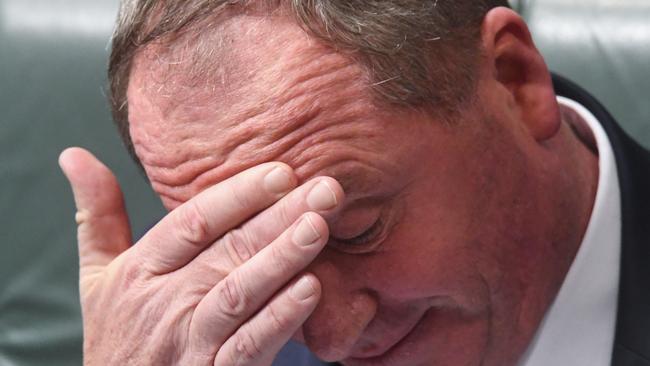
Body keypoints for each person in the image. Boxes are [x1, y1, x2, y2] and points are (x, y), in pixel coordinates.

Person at [58, 1, 650, 365]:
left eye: (358, 232)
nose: (330, 339)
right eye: (249, 260)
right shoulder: (215, 344)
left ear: (514, 81)